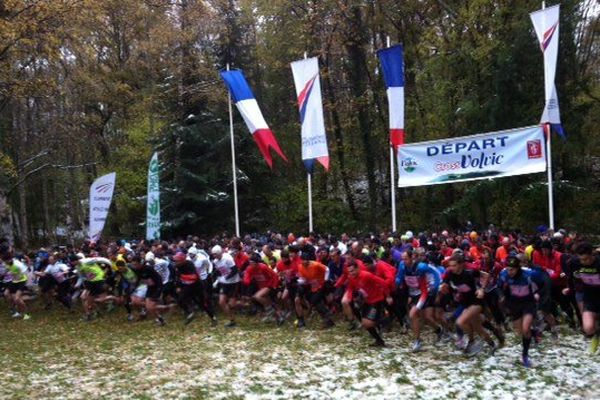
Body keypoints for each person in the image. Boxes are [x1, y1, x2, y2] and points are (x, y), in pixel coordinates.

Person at [441, 252, 497, 356]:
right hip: (465, 301)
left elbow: (486, 275)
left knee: (460, 322)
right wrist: (443, 288)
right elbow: (444, 285)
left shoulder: (470, 271)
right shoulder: (449, 273)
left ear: (461, 264)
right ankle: (492, 344)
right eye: (450, 265)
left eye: (454, 265)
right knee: (477, 327)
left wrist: (482, 289)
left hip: (476, 301)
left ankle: (472, 341)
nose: (451, 268)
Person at [497, 256, 545, 367]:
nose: (510, 272)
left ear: (518, 268)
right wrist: (502, 296)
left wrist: (537, 293)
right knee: (520, 331)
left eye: (512, 269)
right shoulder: (504, 274)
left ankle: (525, 356)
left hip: (528, 302)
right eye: (508, 269)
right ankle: (534, 333)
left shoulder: (529, 274)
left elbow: (543, 283)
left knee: (525, 328)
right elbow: (498, 286)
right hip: (514, 303)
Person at [565, 242, 600, 353]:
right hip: (589, 298)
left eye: (586, 259)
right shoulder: (574, 263)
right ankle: (596, 335)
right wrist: (569, 289)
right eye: (581, 259)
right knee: (588, 328)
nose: (584, 262)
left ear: (592, 255)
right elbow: (570, 278)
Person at [345, 260, 390, 347]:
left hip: (376, 300)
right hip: (366, 301)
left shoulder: (366, 275)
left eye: (353, 270)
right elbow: (350, 288)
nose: (351, 273)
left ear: (358, 268)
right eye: (349, 271)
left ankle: (385, 320)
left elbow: (383, 282)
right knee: (365, 324)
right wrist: (350, 298)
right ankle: (379, 341)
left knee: (367, 323)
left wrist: (388, 296)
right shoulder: (350, 277)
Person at [295, 252, 334, 329]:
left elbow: (327, 269)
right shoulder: (300, 267)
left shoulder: (315, 265)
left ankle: (328, 318)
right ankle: (328, 320)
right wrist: (299, 281)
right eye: (302, 261)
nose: (304, 262)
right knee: (316, 303)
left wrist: (326, 280)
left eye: (305, 261)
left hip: (321, 285)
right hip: (311, 287)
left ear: (308, 260)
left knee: (315, 301)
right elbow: (303, 278)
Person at [243, 253, 282, 323]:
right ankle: (279, 317)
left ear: (257, 263)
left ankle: (269, 309)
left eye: (252, 263)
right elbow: (246, 277)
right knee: (270, 301)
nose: (251, 264)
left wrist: (274, 285)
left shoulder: (263, 267)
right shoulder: (250, 268)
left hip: (269, 285)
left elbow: (275, 275)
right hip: (261, 287)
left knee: (257, 296)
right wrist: (247, 281)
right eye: (250, 263)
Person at [212, 245, 239, 327]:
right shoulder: (215, 261)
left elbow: (235, 270)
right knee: (221, 302)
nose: (214, 256)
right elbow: (219, 272)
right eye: (213, 254)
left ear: (220, 253)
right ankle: (232, 320)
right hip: (224, 283)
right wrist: (216, 280)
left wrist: (227, 277)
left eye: (215, 254)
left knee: (231, 305)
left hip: (234, 282)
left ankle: (246, 304)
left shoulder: (227, 258)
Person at [1, 252, 31, 320]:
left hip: (22, 281)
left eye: (5, 261)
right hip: (14, 281)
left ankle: (27, 314)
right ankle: (15, 311)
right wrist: (5, 273)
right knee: (6, 294)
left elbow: (26, 272)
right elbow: (7, 269)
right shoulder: (6, 263)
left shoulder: (18, 264)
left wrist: (27, 283)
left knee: (17, 298)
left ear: (9, 259)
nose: (4, 263)